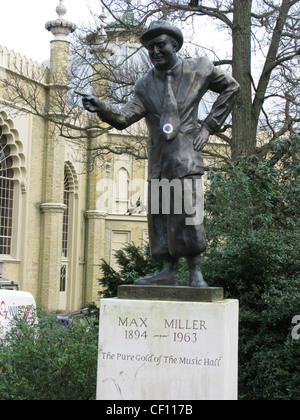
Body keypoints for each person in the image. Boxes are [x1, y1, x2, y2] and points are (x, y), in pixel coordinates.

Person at [81, 20, 240, 287]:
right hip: (159, 161)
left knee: (189, 214)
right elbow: (124, 117)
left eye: (160, 45)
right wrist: (102, 107)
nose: (155, 52)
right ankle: (167, 271)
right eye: (150, 48)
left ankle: (195, 274)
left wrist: (208, 127)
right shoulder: (144, 85)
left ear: (174, 45)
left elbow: (232, 87)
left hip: (186, 157)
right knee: (161, 217)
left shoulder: (197, 68)